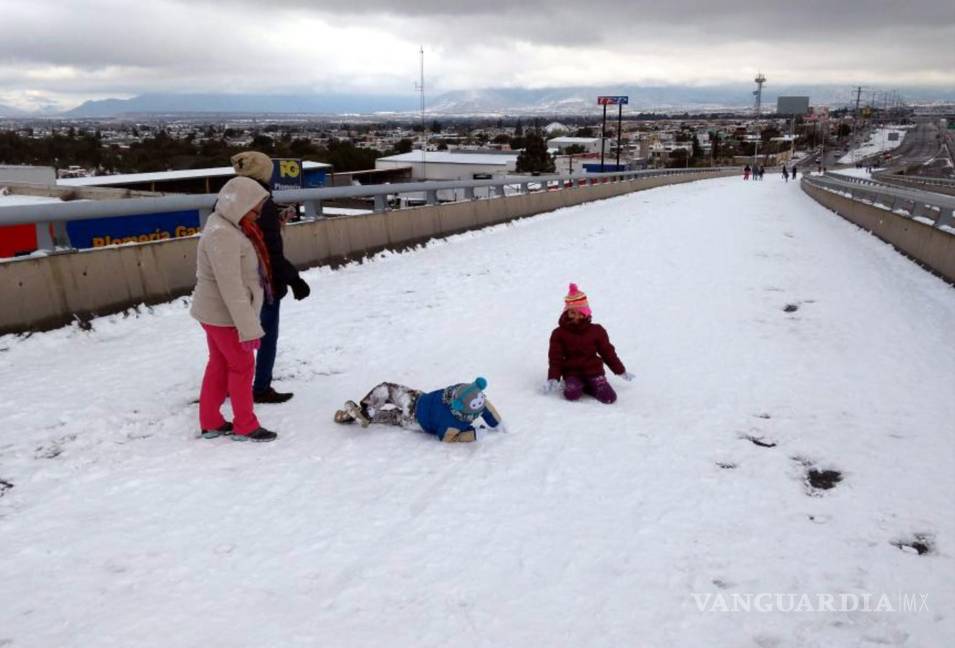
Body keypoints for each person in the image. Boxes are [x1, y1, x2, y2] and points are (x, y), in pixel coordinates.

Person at [190, 176, 278, 443]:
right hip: (225, 315)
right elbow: (231, 286)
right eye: (255, 209)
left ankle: (211, 422)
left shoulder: (225, 226)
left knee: (219, 364)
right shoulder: (223, 234)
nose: (258, 215)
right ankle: (245, 425)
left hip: (217, 313)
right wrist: (248, 328)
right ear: (240, 205)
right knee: (242, 366)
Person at [231, 151, 312, 405]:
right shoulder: (261, 201)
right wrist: (293, 279)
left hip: (235, 277)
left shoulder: (228, 196)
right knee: (266, 334)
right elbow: (270, 251)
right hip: (262, 281)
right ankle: (261, 386)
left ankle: (229, 384)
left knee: (234, 335)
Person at [334, 377, 504, 443]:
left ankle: (365, 412)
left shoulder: (452, 420)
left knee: (388, 390)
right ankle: (368, 415)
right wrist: (497, 424)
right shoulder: (467, 411)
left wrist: (473, 435)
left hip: (415, 405)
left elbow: (446, 438)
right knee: (394, 417)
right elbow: (487, 409)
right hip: (416, 412)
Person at [543, 283, 633, 404]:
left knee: (609, 398)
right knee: (572, 394)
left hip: (594, 371)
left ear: (586, 313)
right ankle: (578, 385)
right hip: (572, 372)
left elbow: (607, 352)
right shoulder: (558, 333)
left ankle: (592, 385)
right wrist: (553, 378)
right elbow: (555, 358)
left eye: (580, 313)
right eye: (572, 313)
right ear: (566, 313)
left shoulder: (597, 331)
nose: (576, 317)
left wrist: (620, 370)